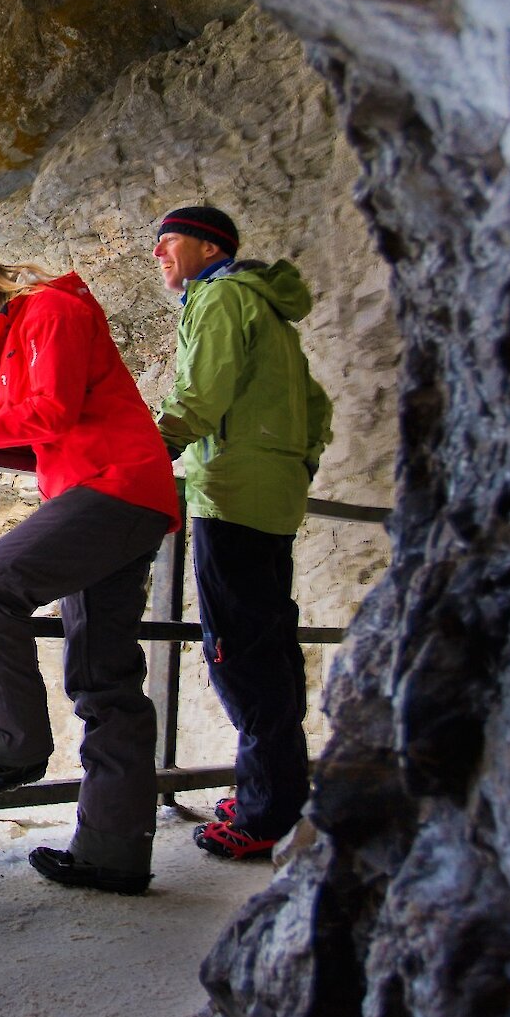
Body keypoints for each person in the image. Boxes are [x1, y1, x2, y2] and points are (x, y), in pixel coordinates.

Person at [0, 235, 181, 895]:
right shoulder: (15, 337)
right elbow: (43, 415)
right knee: (105, 678)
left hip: (112, 487)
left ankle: (13, 746)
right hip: (118, 492)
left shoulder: (47, 311)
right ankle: (112, 850)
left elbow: (49, 413)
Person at [150, 204, 332, 861]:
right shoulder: (269, 308)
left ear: (206, 245)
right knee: (271, 644)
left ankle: (262, 814)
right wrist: (296, 463)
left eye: (167, 241)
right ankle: (281, 788)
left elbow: (201, 394)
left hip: (229, 495)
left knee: (241, 657)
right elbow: (317, 406)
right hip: (273, 496)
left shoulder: (220, 296)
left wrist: (147, 452)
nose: (159, 255)